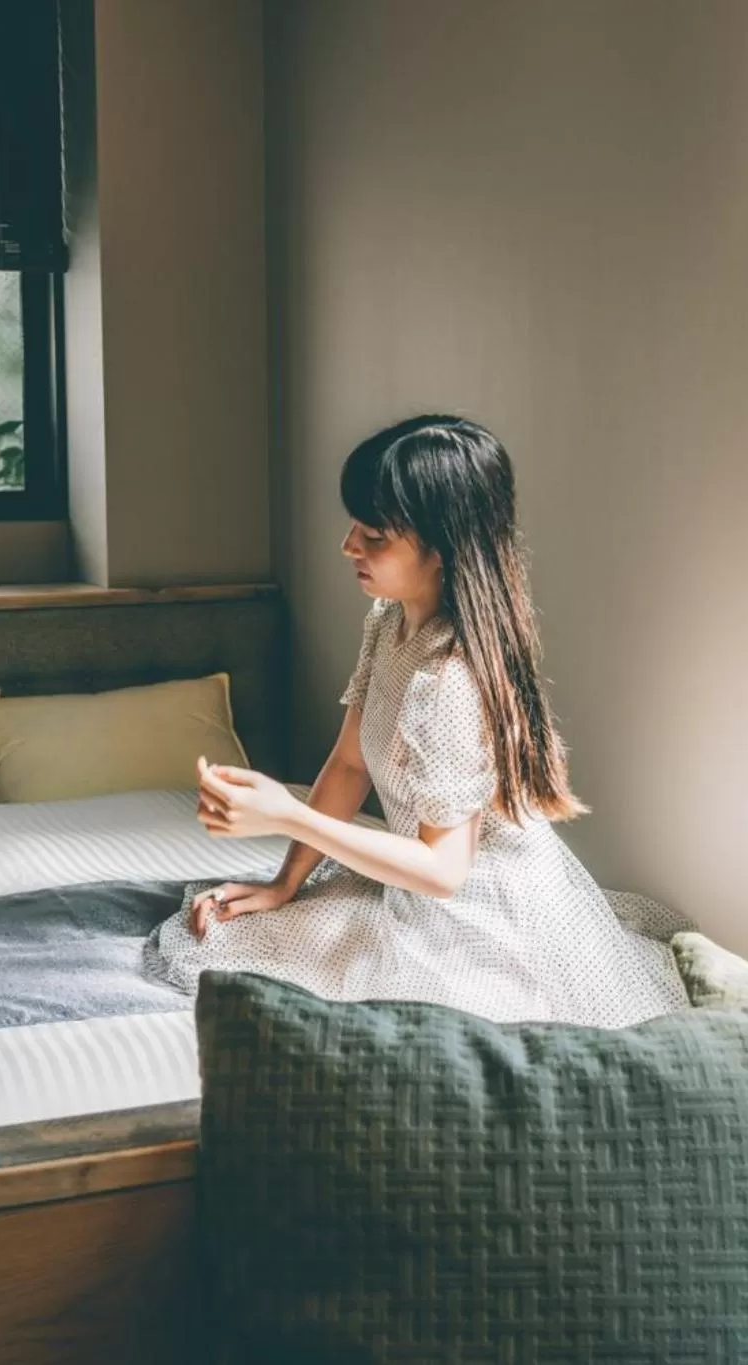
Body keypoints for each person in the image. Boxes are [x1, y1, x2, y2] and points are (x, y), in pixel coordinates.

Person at [143, 415, 686, 1027]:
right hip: (413, 887)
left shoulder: (450, 679)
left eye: (374, 536)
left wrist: (286, 813)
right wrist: (284, 883)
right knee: (233, 941)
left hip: (479, 912)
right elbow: (349, 764)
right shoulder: (390, 623)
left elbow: (445, 871)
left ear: (442, 548)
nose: (349, 546)